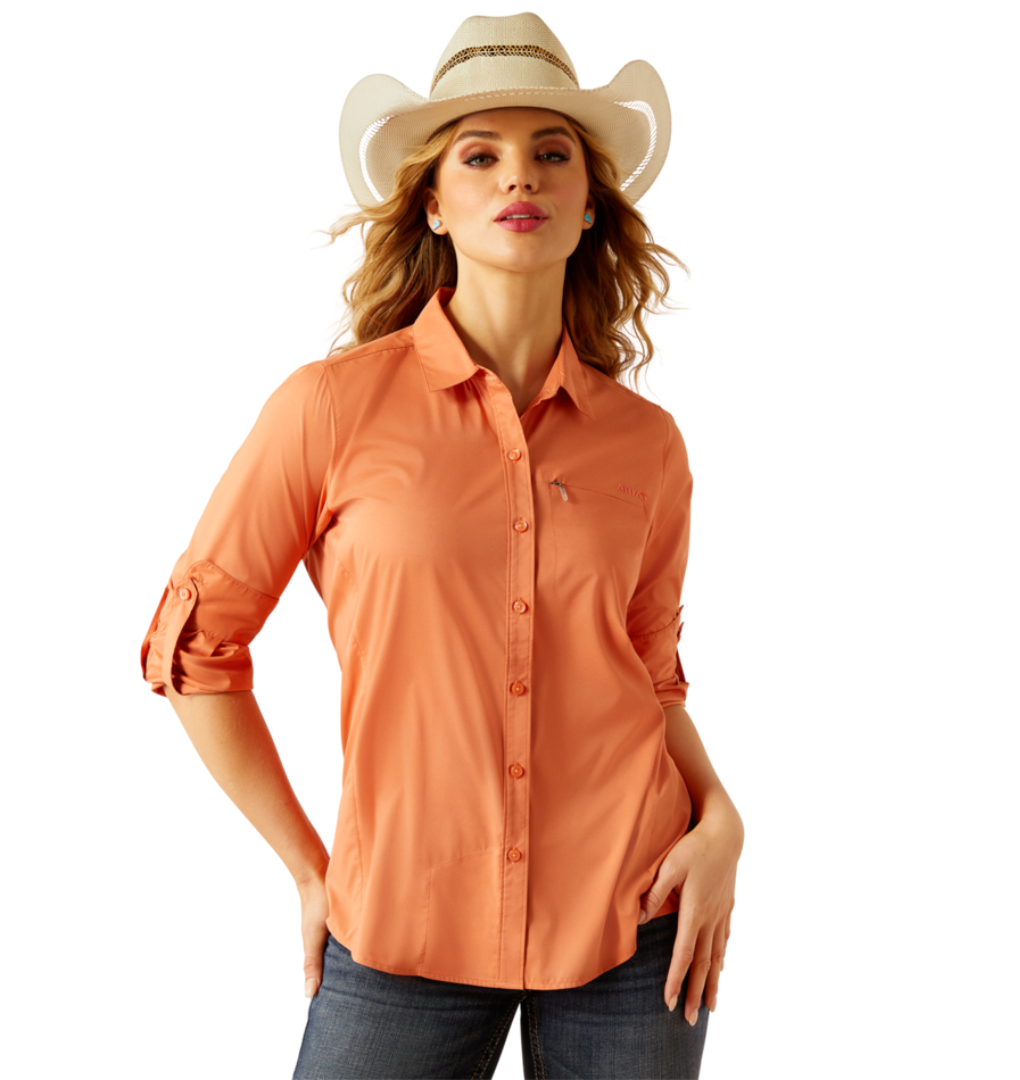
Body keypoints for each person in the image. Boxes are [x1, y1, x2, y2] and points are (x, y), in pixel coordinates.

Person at [139, 12, 744, 1079]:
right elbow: (194, 650)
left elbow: (650, 674)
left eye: (552, 152)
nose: (520, 175)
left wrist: (724, 819)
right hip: (399, 922)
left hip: (631, 915)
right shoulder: (329, 409)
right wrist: (309, 868)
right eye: (480, 154)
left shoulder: (647, 444)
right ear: (432, 201)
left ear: (588, 201)